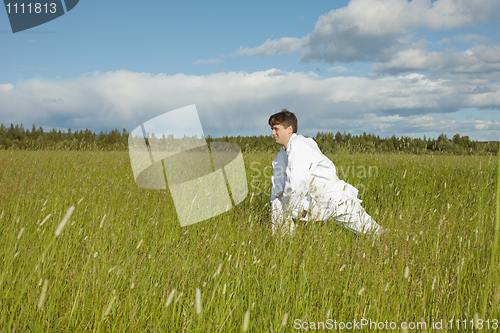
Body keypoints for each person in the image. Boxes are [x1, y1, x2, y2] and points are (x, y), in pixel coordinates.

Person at [269, 109, 383, 236]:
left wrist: (287, 201)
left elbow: (297, 181)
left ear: (289, 129)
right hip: (314, 200)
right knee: (277, 204)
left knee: (373, 232)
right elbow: (278, 182)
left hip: (335, 198)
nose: (272, 133)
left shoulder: (299, 145)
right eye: (272, 129)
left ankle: (392, 241)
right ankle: (284, 244)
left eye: (276, 129)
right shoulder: (282, 154)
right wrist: (279, 199)